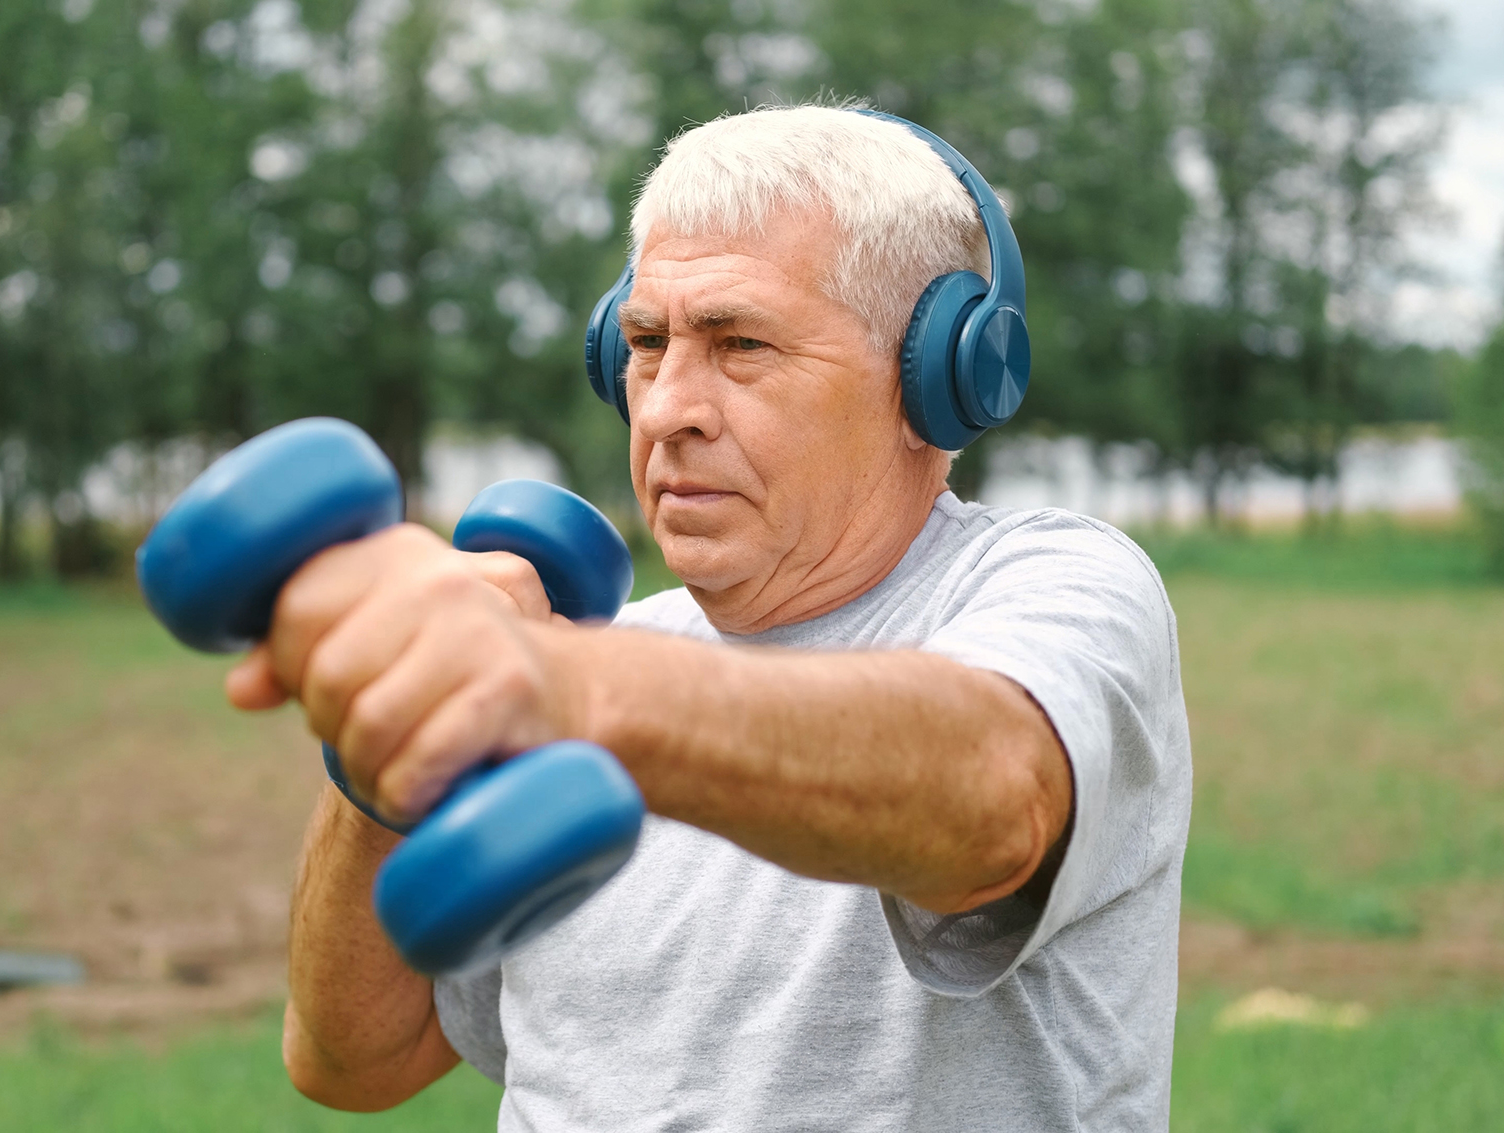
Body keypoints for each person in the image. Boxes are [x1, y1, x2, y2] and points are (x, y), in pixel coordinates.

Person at [227, 104, 1192, 1130]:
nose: (662, 408)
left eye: (740, 344)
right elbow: (354, 1059)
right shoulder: (588, 669)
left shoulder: (1057, 585)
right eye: (646, 343)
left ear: (938, 375)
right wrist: (384, 740)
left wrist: (557, 691)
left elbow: (991, 802)